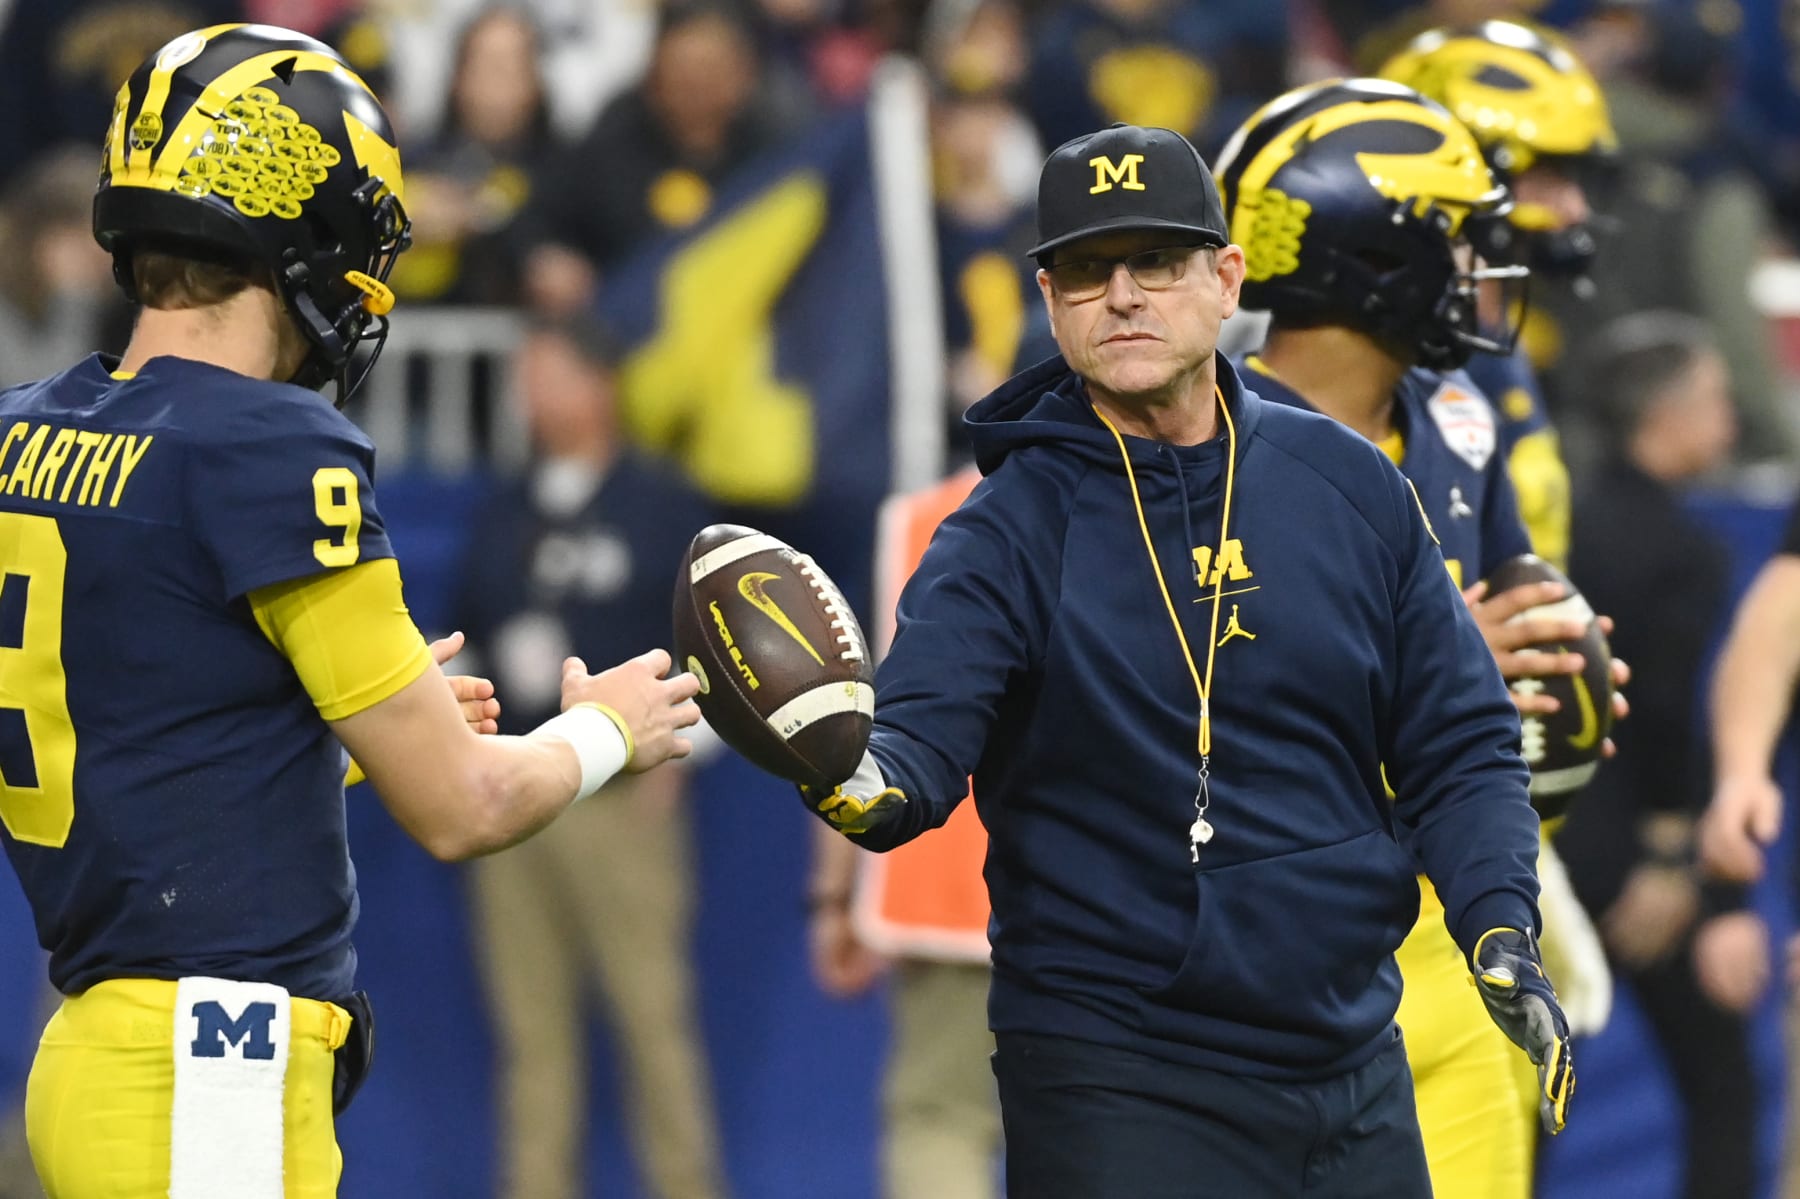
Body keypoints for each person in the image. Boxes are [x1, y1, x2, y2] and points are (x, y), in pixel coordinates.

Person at [793, 120, 1570, 1197]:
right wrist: (830, 761)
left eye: (1155, 260)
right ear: (1052, 300)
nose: (1122, 295)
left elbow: (1463, 736)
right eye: (1084, 269)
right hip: (1120, 1074)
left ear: (1225, 277)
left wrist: (1499, 918)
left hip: (1348, 1053)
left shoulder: (1345, 484)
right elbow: (909, 765)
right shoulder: (1003, 530)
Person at [0, 25, 698, 1198]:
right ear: (300, 224)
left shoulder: (28, 426)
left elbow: (132, 726)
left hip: (89, 1050)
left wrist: (310, 730)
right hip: (208, 1065)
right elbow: (466, 805)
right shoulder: (270, 447)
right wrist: (608, 727)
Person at [452, 316, 728, 1199]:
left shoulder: (662, 506)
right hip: (518, 788)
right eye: (526, 375)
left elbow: (718, 653)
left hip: (621, 796)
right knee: (531, 1034)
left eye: (550, 371)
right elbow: (464, 642)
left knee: (653, 1019)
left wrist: (682, 755)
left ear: (602, 383)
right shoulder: (505, 506)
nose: (532, 392)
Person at [1556, 312, 1763, 1199]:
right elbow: (1675, 716)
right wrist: (1679, 862)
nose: (1730, 419)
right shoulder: (1682, 549)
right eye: (1715, 397)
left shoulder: (1558, 521)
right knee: (1723, 1088)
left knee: (1524, 1091)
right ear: (1665, 415)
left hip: (1548, 860)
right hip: (1644, 870)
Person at [807, 464, 1000, 1199]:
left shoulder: (922, 521)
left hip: (951, 879)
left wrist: (836, 893)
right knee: (1125, 1129)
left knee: (939, 1120)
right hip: (1127, 885)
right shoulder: (1185, 497)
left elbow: (847, 724)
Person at [1378, 18, 1619, 568]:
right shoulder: (1389, 352)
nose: (1575, 209)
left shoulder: (1499, 322)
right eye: (1551, 174)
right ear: (1465, 168)